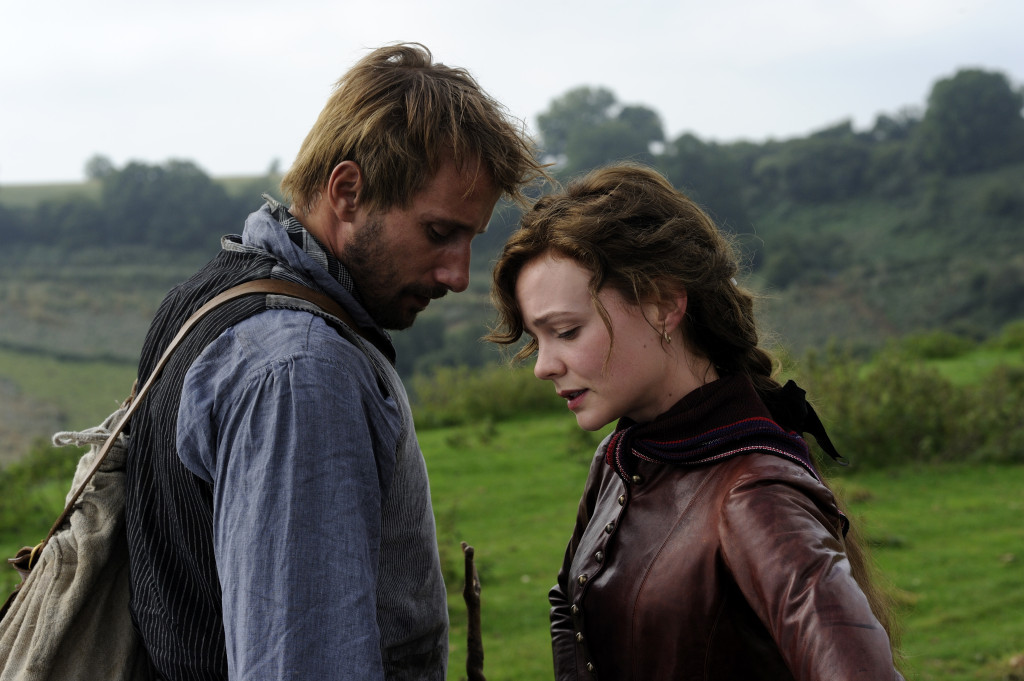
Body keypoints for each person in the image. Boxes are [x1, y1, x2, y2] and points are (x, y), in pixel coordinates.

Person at [123, 43, 545, 681]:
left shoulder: (206, 297)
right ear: (348, 191)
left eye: (470, 239)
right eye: (438, 232)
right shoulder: (302, 372)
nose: (458, 275)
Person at [487, 163, 904, 680]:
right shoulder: (621, 461)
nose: (544, 365)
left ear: (664, 306)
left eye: (567, 331)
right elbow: (570, 608)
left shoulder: (755, 496)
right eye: (537, 339)